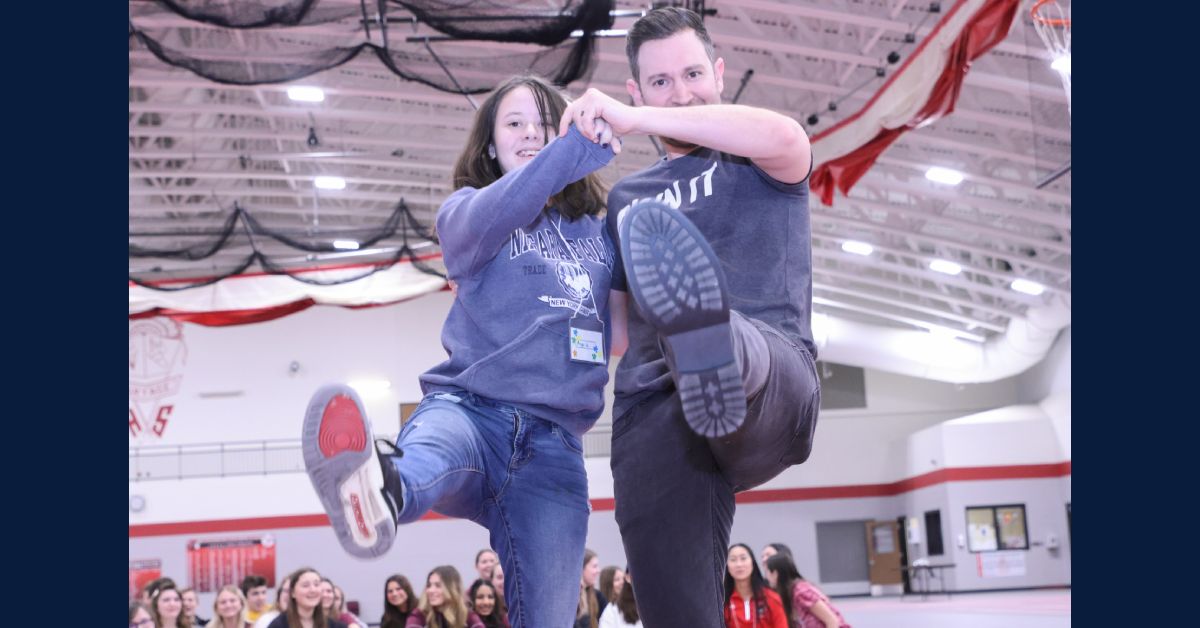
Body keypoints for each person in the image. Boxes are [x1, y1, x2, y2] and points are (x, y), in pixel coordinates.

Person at [301, 74, 621, 628]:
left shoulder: (600, 235)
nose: (530, 134)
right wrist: (572, 149)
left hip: (554, 451)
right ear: (490, 146)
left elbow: (624, 335)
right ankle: (377, 493)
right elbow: (514, 200)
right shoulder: (466, 213)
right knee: (426, 456)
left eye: (545, 124)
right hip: (471, 412)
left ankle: (381, 489)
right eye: (514, 124)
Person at [559, 7, 820, 627]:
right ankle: (696, 342)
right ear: (634, 88)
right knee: (674, 609)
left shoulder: (758, 154)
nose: (680, 94)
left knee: (734, 343)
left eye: (693, 74)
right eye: (659, 83)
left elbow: (791, 140)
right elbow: (619, 334)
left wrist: (642, 120)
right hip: (657, 407)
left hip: (772, 382)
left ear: (720, 73)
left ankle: (709, 340)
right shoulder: (626, 199)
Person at [765, 554, 850, 628]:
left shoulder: (801, 591)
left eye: (767, 572)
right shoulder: (788, 594)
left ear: (775, 573)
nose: (766, 577)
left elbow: (832, 621)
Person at [724, 544, 787, 628]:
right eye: (733, 560)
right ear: (727, 566)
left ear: (752, 562)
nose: (739, 564)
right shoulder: (723, 601)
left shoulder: (771, 598)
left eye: (743, 558)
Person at [266, 567, 348, 628]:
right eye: (305, 585)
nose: (313, 590)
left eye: (316, 584)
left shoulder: (334, 625)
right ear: (292, 593)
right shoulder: (279, 625)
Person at [406, 566, 485, 628]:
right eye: (429, 585)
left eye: (438, 585)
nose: (431, 590)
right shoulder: (420, 614)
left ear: (452, 589)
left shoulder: (467, 615)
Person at [575, 549, 608, 628]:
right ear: (581, 568)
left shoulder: (598, 596)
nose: (598, 570)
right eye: (594, 566)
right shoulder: (569, 597)